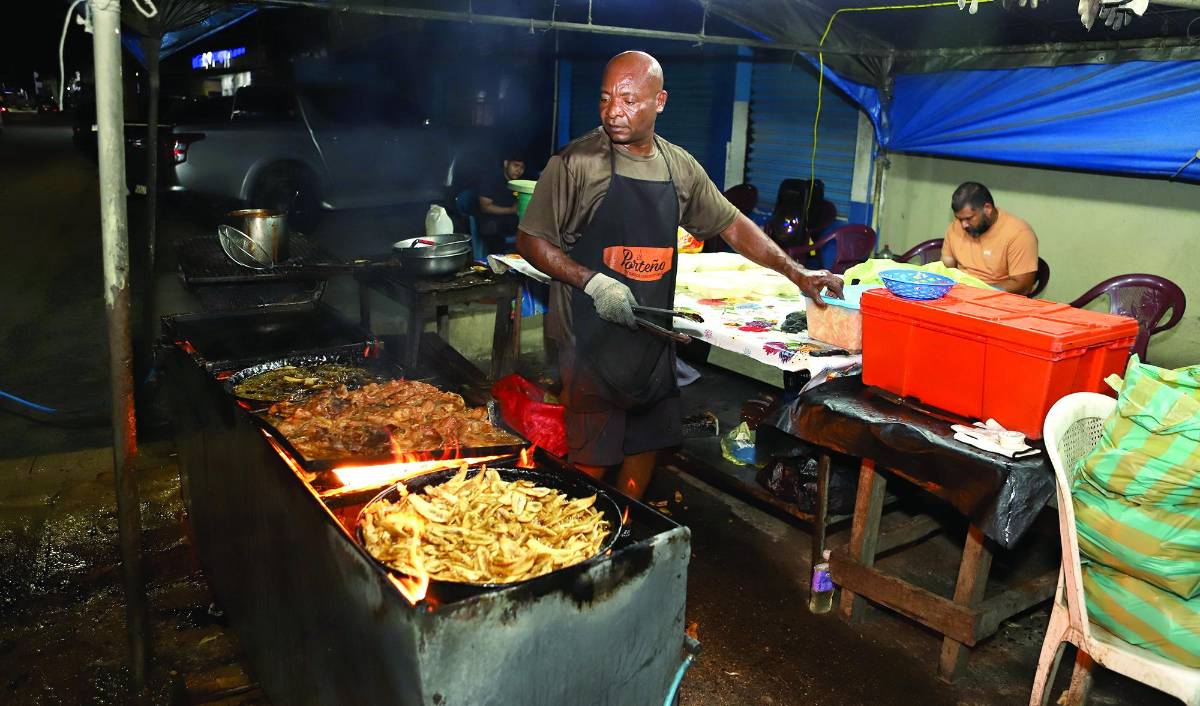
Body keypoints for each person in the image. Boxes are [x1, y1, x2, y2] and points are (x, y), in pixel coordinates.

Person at [516, 51, 842, 500]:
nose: (614, 111)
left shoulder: (677, 166)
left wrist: (797, 271)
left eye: (629, 100)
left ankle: (628, 517)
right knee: (592, 455)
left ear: (661, 101)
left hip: (652, 339)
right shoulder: (576, 164)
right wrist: (590, 280)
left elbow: (732, 225)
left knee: (646, 441)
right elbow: (531, 240)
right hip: (589, 341)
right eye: (607, 98)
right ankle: (580, 542)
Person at [941, 182, 1039, 295]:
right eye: (959, 219)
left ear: (987, 209)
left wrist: (978, 292)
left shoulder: (1019, 234)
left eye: (969, 218)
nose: (963, 225)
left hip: (997, 300)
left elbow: (1023, 286)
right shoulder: (955, 228)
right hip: (960, 295)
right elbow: (946, 269)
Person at [476, 155, 526, 250]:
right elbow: (485, 207)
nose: (519, 170)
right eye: (516, 165)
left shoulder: (520, 182)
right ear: (506, 163)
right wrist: (511, 210)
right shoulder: (490, 179)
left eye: (522, 167)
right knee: (491, 227)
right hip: (491, 219)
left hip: (512, 220)